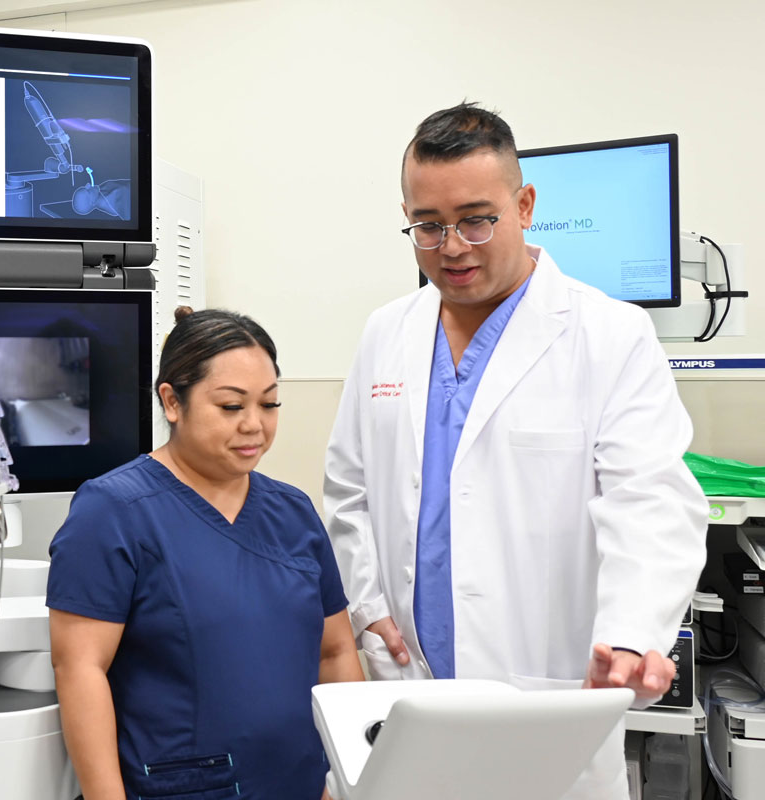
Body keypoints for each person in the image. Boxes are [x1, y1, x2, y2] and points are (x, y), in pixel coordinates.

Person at [323, 103, 708, 799]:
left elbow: (650, 500)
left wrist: (628, 635)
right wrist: (367, 605)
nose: (452, 247)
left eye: (476, 219)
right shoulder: (386, 332)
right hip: (405, 682)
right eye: (427, 225)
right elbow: (348, 489)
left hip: (543, 688)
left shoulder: (609, 335)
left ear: (524, 204)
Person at [48, 307, 364, 800]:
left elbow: (335, 650)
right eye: (232, 407)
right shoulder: (113, 511)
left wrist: (347, 777)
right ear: (172, 402)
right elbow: (79, 668)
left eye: (270, 404)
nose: (255, 426)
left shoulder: (293, 513)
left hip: (298, 784)